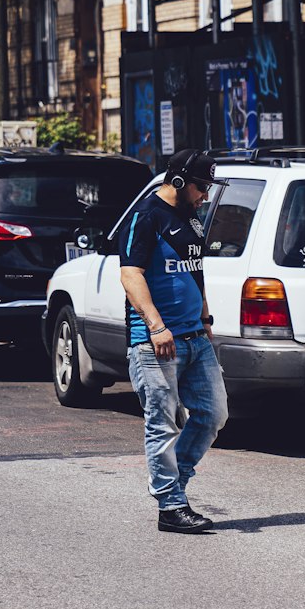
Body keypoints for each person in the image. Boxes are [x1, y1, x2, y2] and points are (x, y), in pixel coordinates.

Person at [120, 148, 230, 534]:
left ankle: (176, 486)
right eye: (202, 187)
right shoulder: (145, 216)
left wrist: (205, 316)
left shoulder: (191, 217)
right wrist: (155, 326)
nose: (205, 194)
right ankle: (170, 505)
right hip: (155, 341)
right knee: (162, 421)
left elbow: (195, 271)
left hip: (195, 337)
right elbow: (131, 274)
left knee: (213, 415)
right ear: (179, 181)